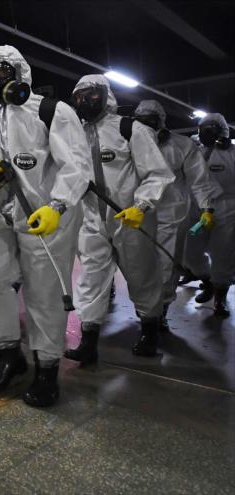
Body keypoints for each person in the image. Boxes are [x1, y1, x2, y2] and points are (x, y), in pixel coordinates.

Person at [0, 45, 92, 407]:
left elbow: (77, 166)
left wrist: (58, 206)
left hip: (43, 217)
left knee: (44, 293)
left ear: (20, 74)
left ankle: (47, 369)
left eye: (1, 73)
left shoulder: (51, 111)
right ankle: (8, 355)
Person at [66, 75, 175, 366]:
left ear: (105, 95)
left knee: (141, 274)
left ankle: (150, 329)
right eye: (77, 96)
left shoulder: (130, 129)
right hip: (91, 218)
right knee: (91, 277)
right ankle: (88, 341)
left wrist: (142, 205)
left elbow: (157, 173)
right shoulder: (74, 134)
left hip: (129, 218)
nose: (83, 101)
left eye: (90, 94)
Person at [133, 100, 222, 328]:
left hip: (171, 215)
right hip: (136, 215)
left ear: (162, 122)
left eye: (151, 122)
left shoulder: (181, 146)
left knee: (165, 265)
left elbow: (199, 180)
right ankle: (145, 309)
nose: (147, 128)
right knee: (139, 265)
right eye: (141, 122)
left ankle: (158, 314)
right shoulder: (129, 143)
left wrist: (206, 208)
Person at [184, 113, 234, 316]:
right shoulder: (194, 151)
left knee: (224, 252)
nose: (206, 132)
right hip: (196, 205)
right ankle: (206, 279)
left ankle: (220, 298)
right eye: (203, 128)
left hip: (226, 207)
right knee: (190, 251)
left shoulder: (232, 153)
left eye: (211, 128)